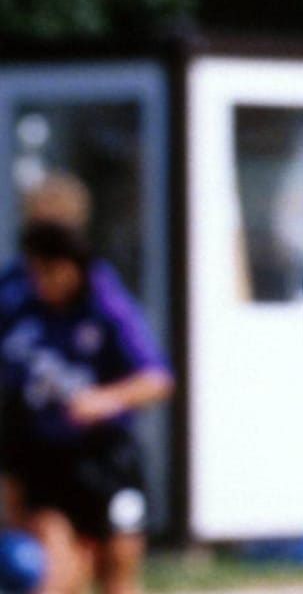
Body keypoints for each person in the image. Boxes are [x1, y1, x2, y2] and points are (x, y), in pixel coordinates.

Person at [0, 174, 173, 594]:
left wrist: (104, 399)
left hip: (105, 457)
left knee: (118, 564)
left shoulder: (102, 295)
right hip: (40, 456)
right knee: (53, 566)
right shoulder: (12, 293)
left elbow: (157, 377)